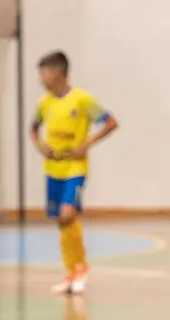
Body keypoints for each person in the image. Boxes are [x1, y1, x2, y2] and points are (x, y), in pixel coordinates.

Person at [30, 50, 119, 295]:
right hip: (53, 169)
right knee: (61, 221)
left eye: (45, 73)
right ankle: (70, 272)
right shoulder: (44, 102)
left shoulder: (82, 100)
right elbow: (33, 128)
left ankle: (81, 268)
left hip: (75, 168)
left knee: (68, 214)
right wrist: (41, 147)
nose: (42, 79)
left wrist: (87, 143)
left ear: (59, 73)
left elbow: (111, 122)